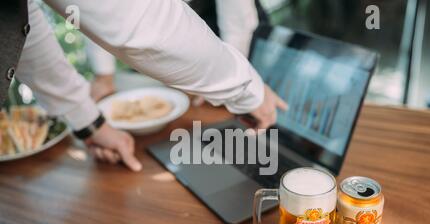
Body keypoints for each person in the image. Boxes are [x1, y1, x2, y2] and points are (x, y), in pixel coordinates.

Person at [3, 0, 287, 172]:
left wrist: (88, 121)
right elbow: (130, 17)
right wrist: (245, 88)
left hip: (216, 36)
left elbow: (19, 17)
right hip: (194, 48)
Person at [88, 0, 267, 102]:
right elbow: (101, 9)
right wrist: (104, 75)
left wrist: (228, 79)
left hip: (233, 35)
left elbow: (237, 25)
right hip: (176, 34)